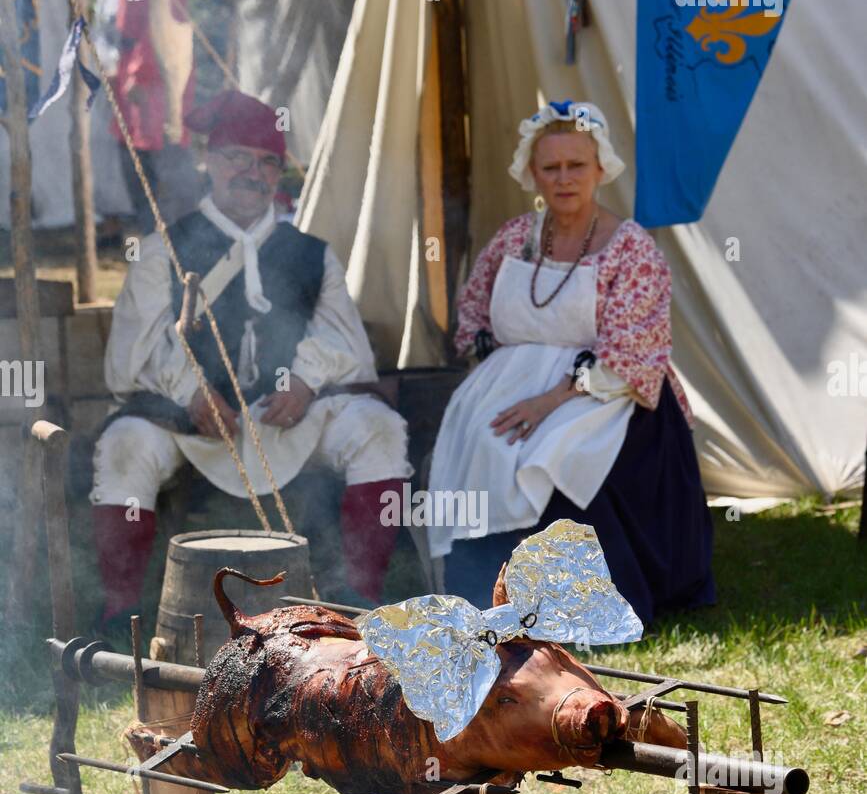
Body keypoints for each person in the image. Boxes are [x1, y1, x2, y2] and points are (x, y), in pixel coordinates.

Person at [91, 90, 412, 631]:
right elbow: (131, 358)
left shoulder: (312, 253)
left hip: (284, 420)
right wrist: (190, 393)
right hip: (193, 427)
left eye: (267, 162)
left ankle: (360, 600)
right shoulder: (161, 249)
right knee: (125, 446)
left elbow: (348, 347)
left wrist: (307, 382)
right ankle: (120, 611)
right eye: (238, 156)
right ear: (210, 162)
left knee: (380, 428)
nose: (253, 172)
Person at [428, 99, 715, 627]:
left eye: (576, 165)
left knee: (556, 449)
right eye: (551, 167)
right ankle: (486, 596)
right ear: (531, 172)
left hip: (604, 390)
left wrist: (547, 399)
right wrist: (496, 377)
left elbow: (635, 352)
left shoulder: (631, 248)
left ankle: (579, 608)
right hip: (511, 380)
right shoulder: (515, 238)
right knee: (484, 440)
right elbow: (472, 316)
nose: (563, 179)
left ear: (600, 168)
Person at [101, 0, 198, 231]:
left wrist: (138, 74)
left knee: (163, 169)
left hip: (154, 79)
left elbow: (155, 22)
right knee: (144, 166)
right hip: (140, 78)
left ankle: (176, 247)